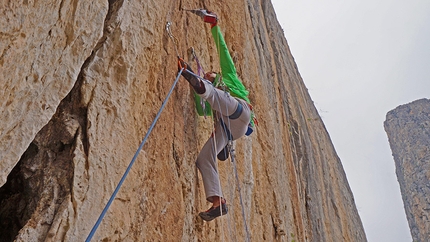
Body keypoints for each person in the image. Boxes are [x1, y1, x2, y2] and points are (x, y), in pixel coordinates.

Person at [179, 10, 254, 221]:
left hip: (240, 112)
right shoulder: (211, 95)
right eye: (205, 76)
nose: (208, 74)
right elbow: (202, 109)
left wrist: (214, 27)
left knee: (214, 93)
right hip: (229, 129)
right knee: (204, 158)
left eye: (209, 74)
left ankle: (199, 84)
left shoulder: (229, 79)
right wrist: (196, 86)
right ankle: (218, 201)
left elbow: (224, 54)